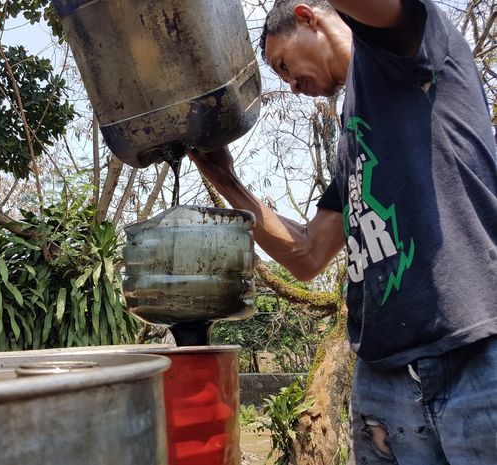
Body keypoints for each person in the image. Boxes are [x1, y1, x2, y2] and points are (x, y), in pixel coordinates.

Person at [189, 0, 497, 463]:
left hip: (473, 350)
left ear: (308, 17)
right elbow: (308, 255)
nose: (291, 86)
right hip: (384, 375)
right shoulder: (353, 141)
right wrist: (228, 183)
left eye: (285, 66)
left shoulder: (406, 49)